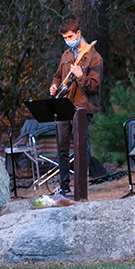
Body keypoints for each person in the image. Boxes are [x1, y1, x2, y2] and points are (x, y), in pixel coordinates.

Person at [49, 19, 103, 195]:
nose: (67, 40)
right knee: (61, 148)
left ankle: (81, 188)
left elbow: (95, 86)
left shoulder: (94, 57)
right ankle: (64, 187)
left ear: (78, 33)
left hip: (82, 107)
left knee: (80, 147)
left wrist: (81, 76)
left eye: (70, 36)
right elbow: (58, 76)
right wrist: (54, 85)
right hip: (63, 104)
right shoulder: (66, 55)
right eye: (65, 37)